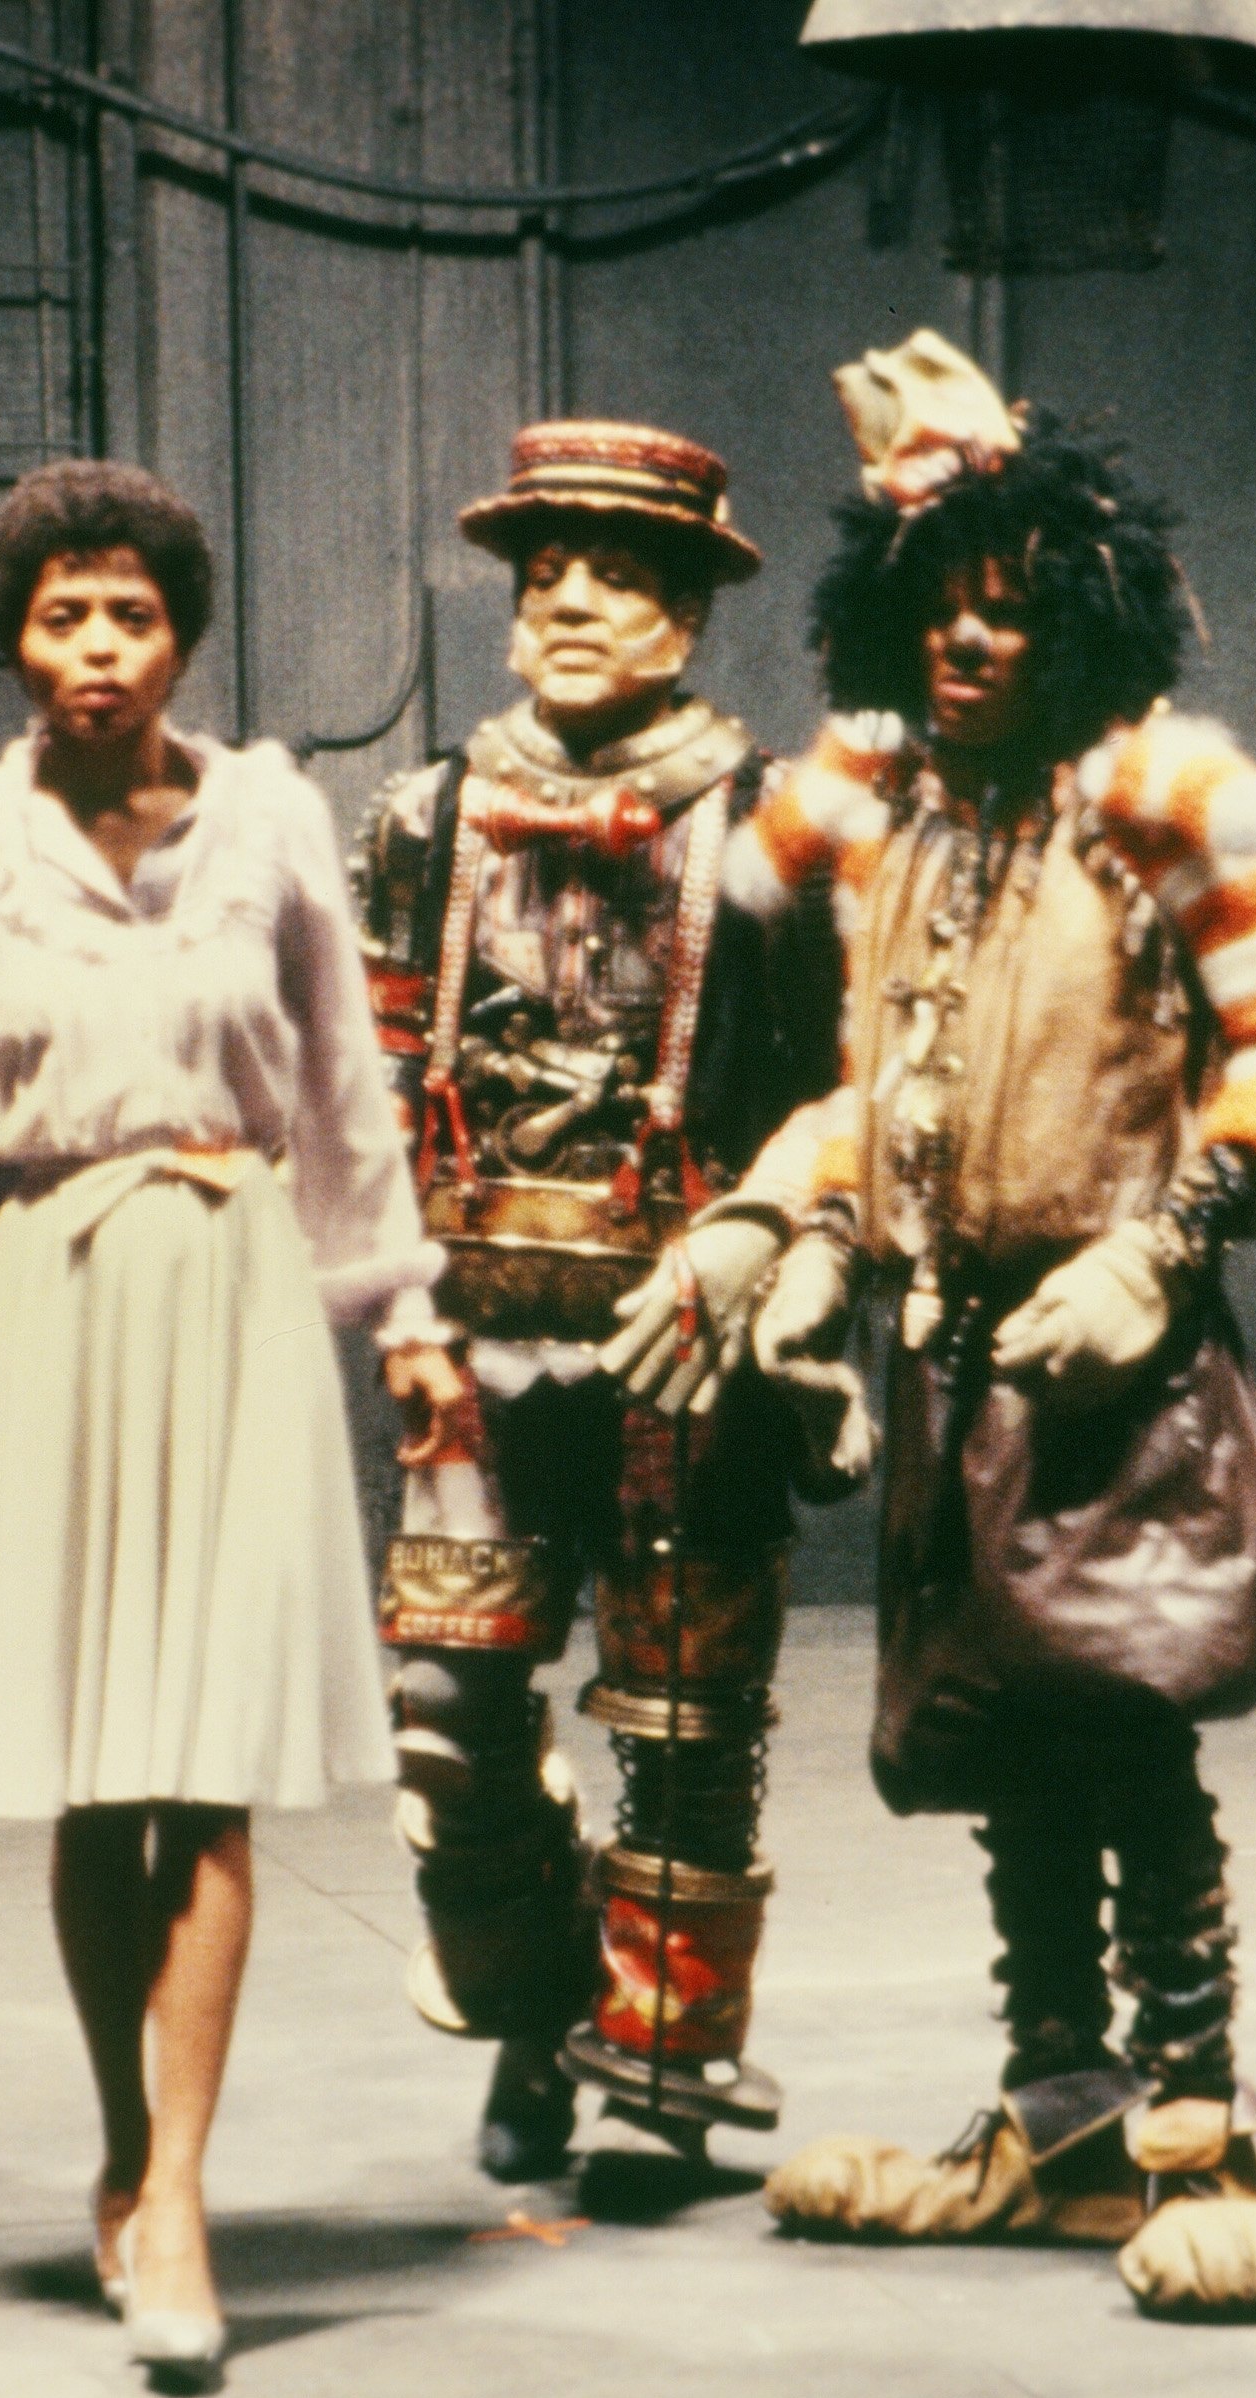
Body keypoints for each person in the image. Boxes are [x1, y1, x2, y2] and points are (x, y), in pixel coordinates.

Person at [627, 332, 1256, 2318]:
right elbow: (880, 1089)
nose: (970, 639)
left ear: (1080, 620)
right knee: (1002, 1742)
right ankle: (1059, 2113)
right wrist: (797, 1230)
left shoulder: (1165, 799)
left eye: (1013, 605)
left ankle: (1196, 2125)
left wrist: (1162, 1250)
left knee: (1125, 1732)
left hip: (1114, 1360)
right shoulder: (903, 820)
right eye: (942, 603)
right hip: (955, 1356)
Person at [0, 460, 464, 2381]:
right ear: (16, 640)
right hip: (57, 1294)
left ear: (180, 637)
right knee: (97, 1774)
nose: (97, 649)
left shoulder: (273, 822)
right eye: (62, 616)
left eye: (131, 615)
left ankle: (179, 2192)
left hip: (236, 1289)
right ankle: (119, 2144)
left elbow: (347, 1092)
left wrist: (407, 1317)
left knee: (205, 1770)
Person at [352, 420, 848, 2179]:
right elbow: (371, 1079)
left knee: (687, 1729)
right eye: (545, 571)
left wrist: (783, 1253)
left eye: (617, 575)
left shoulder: (778, 829)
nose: (568, 601)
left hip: (685, 1347)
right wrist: (386, 1295)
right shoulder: (423, 816)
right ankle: (537, 2001)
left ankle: (660, 2062)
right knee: (447, 1725)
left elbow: (847, 1089)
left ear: (689, 614)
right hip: (470, 1343)